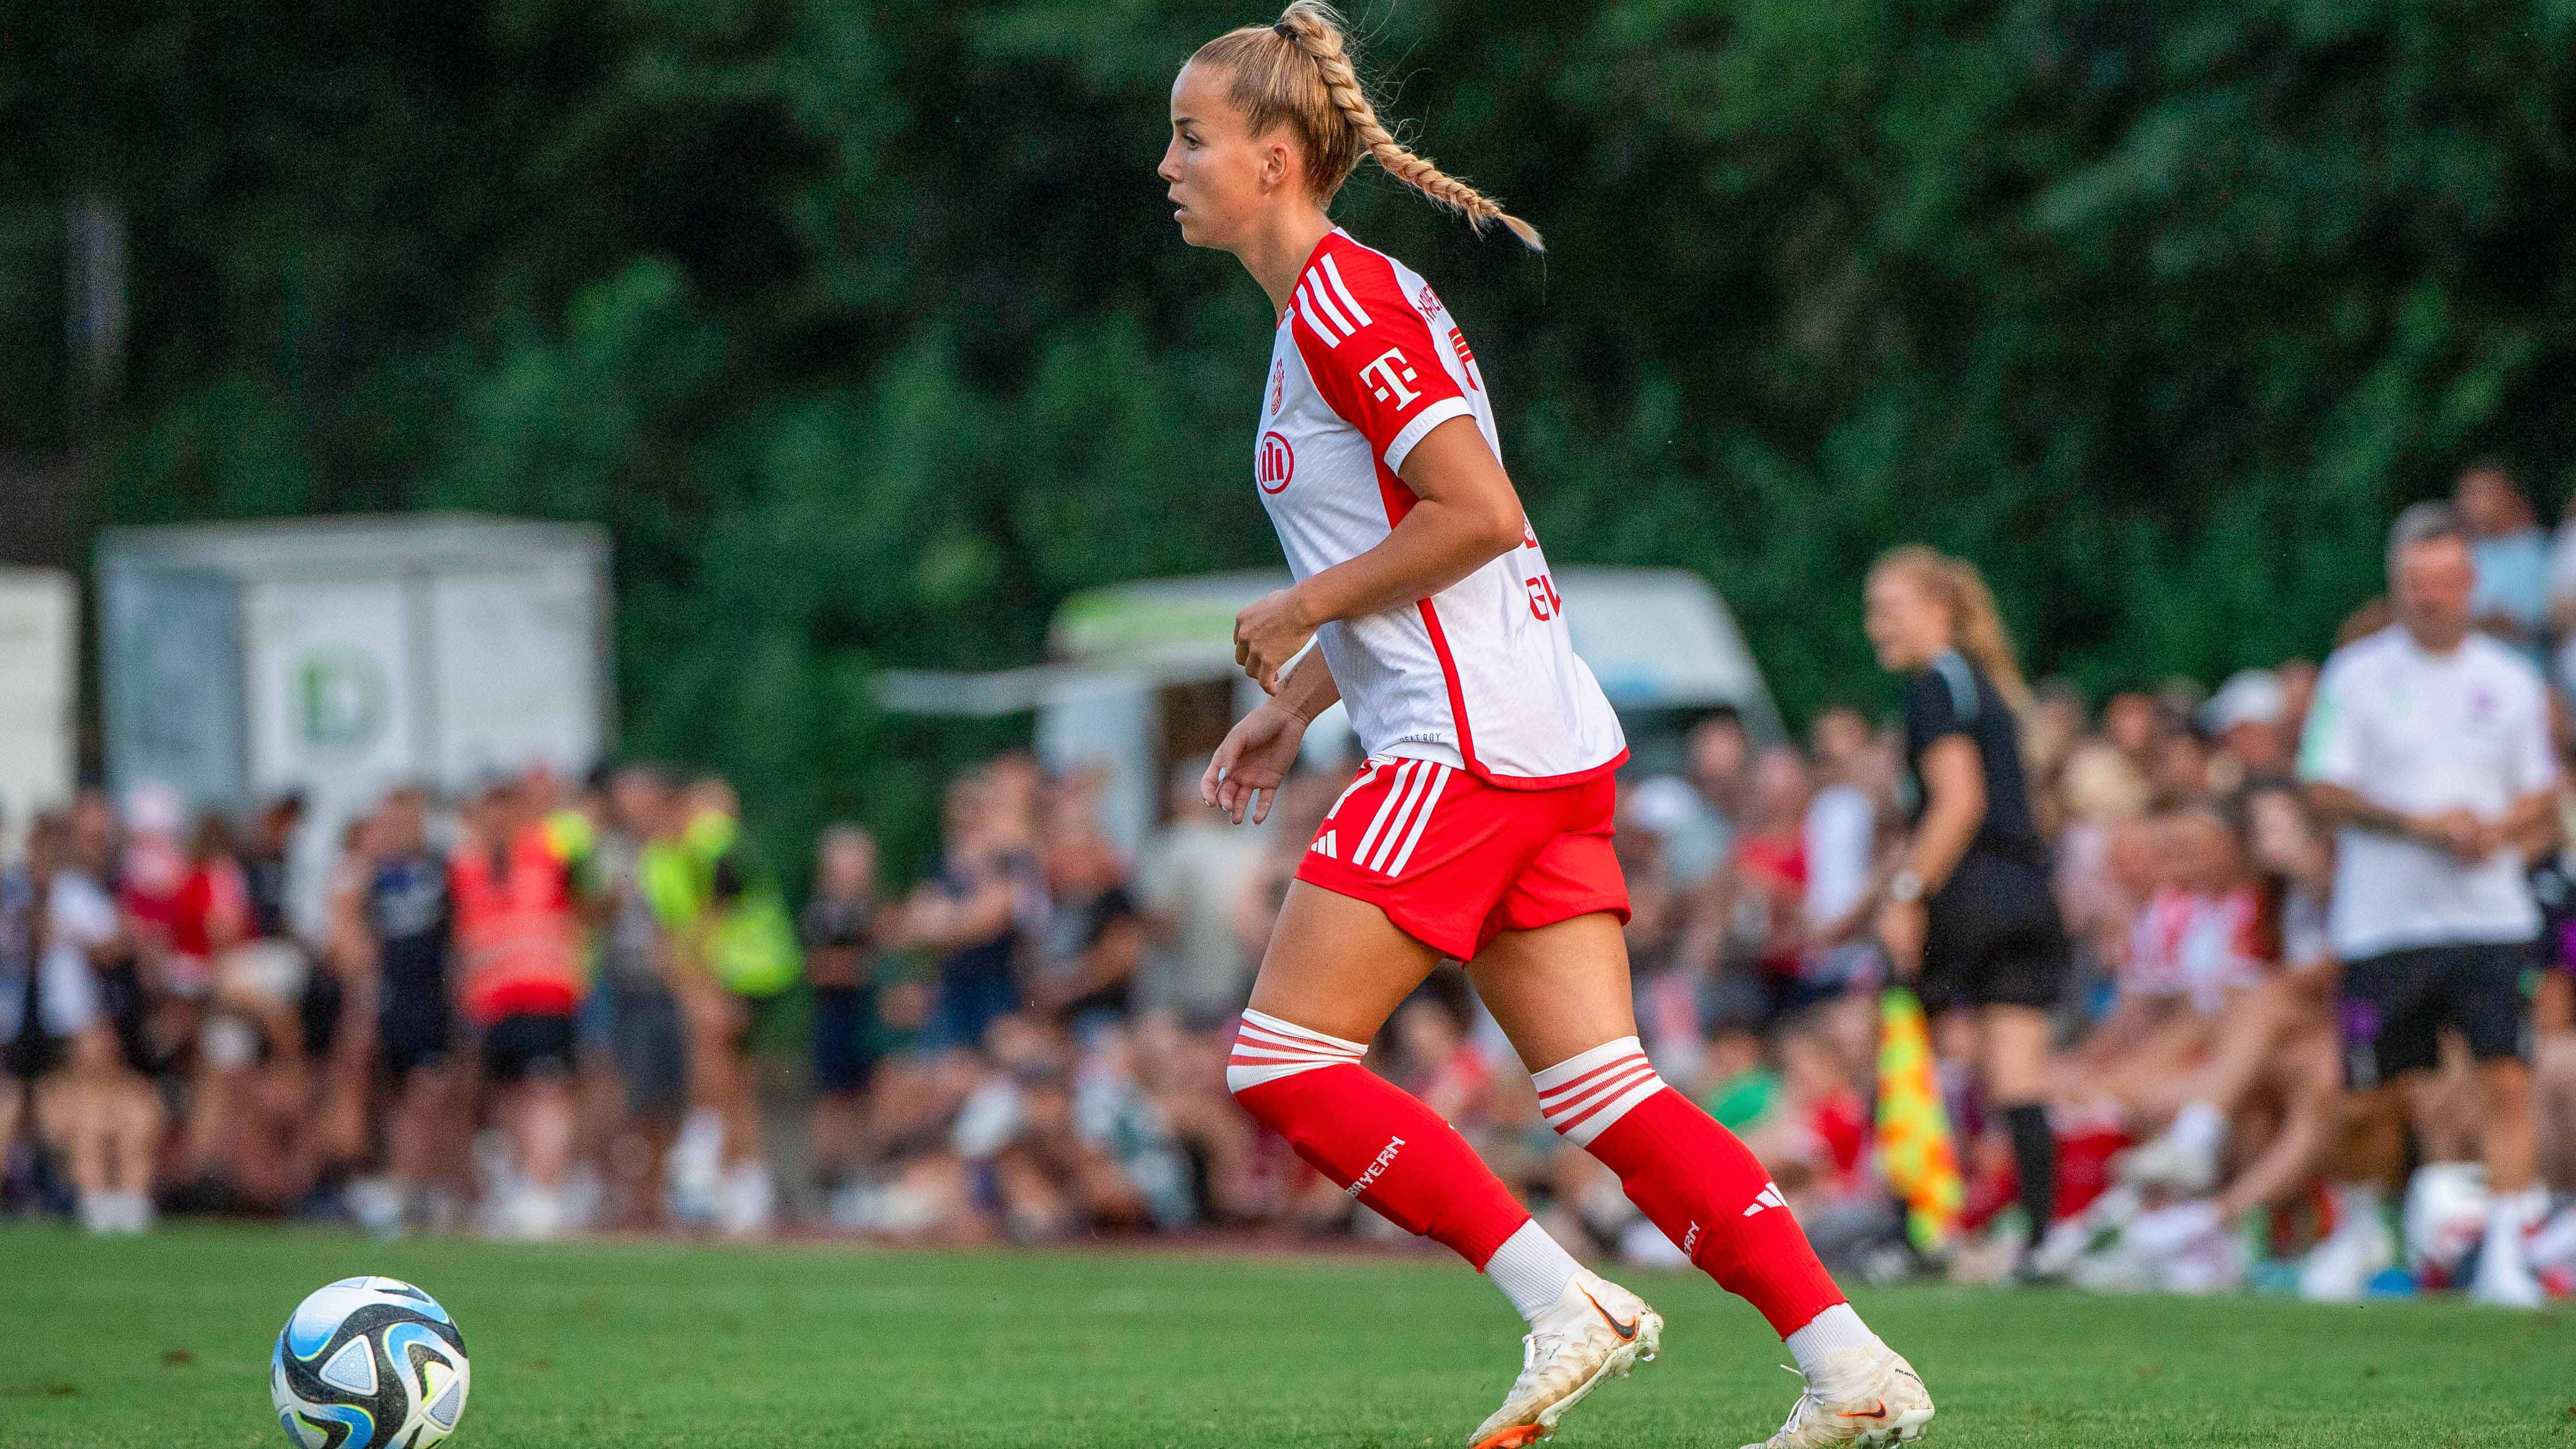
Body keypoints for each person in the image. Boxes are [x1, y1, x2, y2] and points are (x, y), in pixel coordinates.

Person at [1164, 10, 1931, 1445]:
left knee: (1280, 1058)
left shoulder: (1344, 306)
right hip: (1533, 735)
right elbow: (1442, 551)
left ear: (1272, 159)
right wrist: (1302, 696)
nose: (1168, 164)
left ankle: (1559, 1301)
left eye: (1190, 137)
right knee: (1601, 1085)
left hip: (1462, 751)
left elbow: (1481, 516)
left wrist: (1299, 609)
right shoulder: (1329, 312)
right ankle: (1848, 1363)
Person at [2299, 501, 2559, 1307]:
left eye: (2443, 581)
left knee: (2506, 1078)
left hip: (2488, 917)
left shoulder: (2511, 681)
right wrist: (2420, 824)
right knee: (2368, 1100)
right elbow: (2323, 789)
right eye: (2414, 582)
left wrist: (2497, 827)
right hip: (2385, 919)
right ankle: (2363, 1226)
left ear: (2469, 582)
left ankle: (2508, 1249)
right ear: (2397, 583)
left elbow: (2543, 798)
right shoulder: (2357, 675)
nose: (2429, 597)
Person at [1864, 544, 2072, 1282]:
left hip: (1970, 894)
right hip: (2028, 892)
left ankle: (1918, 1230)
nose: (1875, 626)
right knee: (2018, 1070)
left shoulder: (1936, 686)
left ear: (1937, 610)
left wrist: (1905, 894)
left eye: (1888, 610)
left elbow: (1959, 803)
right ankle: (2043, 1240)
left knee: (1902, 1047)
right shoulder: (1992, 687)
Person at [451, 772, 591, 1239]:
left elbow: (592, 886)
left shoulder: (551, 850)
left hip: (547, 991)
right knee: (508, 1097)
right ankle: (520, 1184)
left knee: (547, 1092)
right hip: (493, 1002)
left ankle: (545, 1188)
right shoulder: (467, 864)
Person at [355, 787, 464, 1235]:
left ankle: (421, 1185)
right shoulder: (375, 879)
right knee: (396, 1101)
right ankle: (404, 1186)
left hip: (432, 1001)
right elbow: (361, 944)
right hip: (391, 1002)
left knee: (431, 1095)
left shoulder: (442, 872)